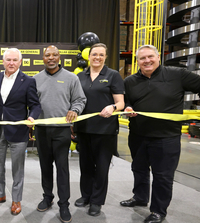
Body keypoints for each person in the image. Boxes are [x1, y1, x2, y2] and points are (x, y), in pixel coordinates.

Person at [120, 45, 200, 223]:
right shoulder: (130, 81)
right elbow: (126, 103)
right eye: (142, 58)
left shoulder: (177, 75)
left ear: (158, 57)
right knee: (139, 169)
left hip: (166, 137)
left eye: (150, 57)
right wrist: (127, 108)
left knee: (163, 176)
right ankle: (140, 197)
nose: (147, 61)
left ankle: (158, 211)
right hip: (138, 135)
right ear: (137, 61)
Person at [0, 48, 41, 215]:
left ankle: (16, 200)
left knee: (18, 168)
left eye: (15, 60)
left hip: (18, 131)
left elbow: (35, 105)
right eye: (8, 59)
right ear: (3, 61)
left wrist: (32, 117)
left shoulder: (28, 81)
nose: (11, 63)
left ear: (20, 62)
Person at [33, 45, 86, 223]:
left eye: (55, 55)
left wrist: (75, 110)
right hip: (41, 130)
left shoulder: (71, 78)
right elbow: (32, 104)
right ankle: (48, 197)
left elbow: (80, 99)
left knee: (62, 169)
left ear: (59, 57)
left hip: (62, 130)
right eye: (48, 55)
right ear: (43, 58)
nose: (51, 58)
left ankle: (64, 204)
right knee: (45, 167)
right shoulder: (35, 79)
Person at [73, 43, 125, 217]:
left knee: (101, 167)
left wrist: (112, 107)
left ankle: (97, 201)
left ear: (105, 57)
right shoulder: (80, 76)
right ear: (89, 56)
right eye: (95, 54)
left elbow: (121, 103)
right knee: (85, 166)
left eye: (101, 55)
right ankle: (86, 196)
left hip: (105, 130)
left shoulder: (113, 75)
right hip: (83, 128)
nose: (97, 57)